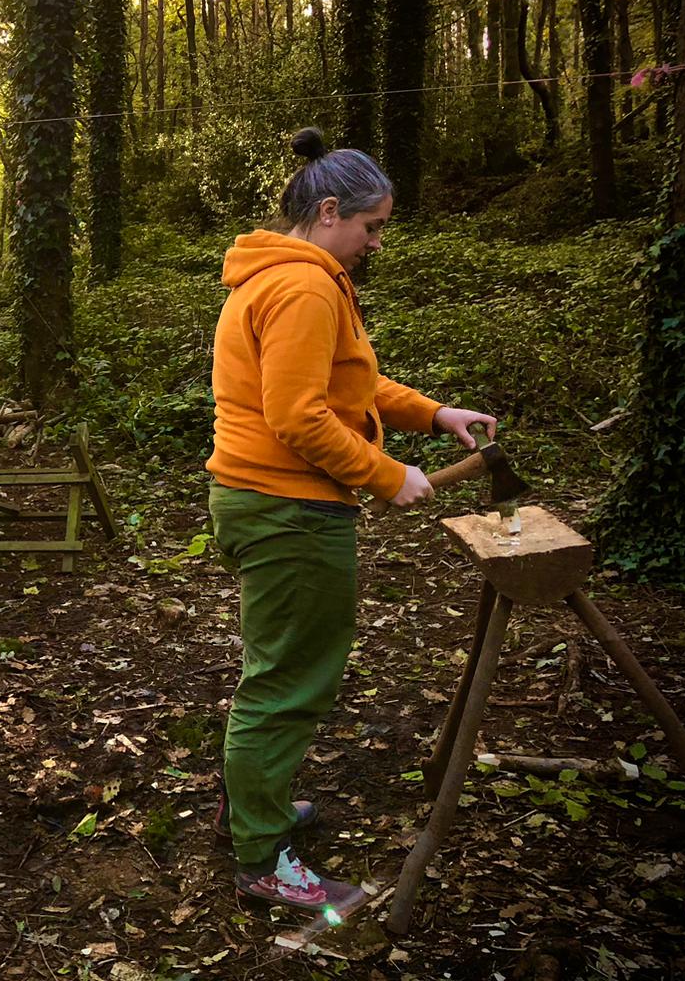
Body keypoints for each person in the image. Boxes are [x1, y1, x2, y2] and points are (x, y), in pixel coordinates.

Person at [204, 128, 496, 916]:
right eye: (372, 227)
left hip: (264, 502)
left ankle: (253, 804)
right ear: (330, 210)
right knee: (291, 681)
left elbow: (347, 386)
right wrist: (386, 475)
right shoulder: (302, 286)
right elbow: (298, 417)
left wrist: (433, 414)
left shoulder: (283, 277)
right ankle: (262, 858)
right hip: (288, 511)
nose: (374, 243)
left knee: (277, 666)